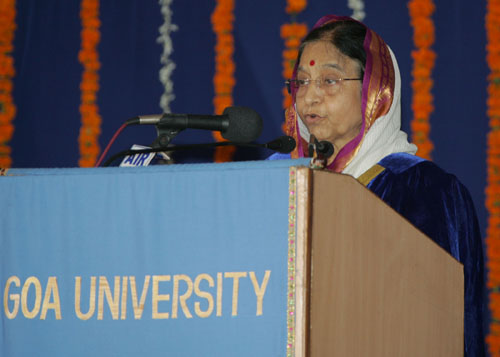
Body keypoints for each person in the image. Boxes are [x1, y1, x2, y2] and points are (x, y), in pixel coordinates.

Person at [269, 15, 485, 356]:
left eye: (329, 80)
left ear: (376, 90)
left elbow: (437, 322)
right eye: (301, 82)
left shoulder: (422, 189)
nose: (310, 96)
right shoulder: (277, 182)